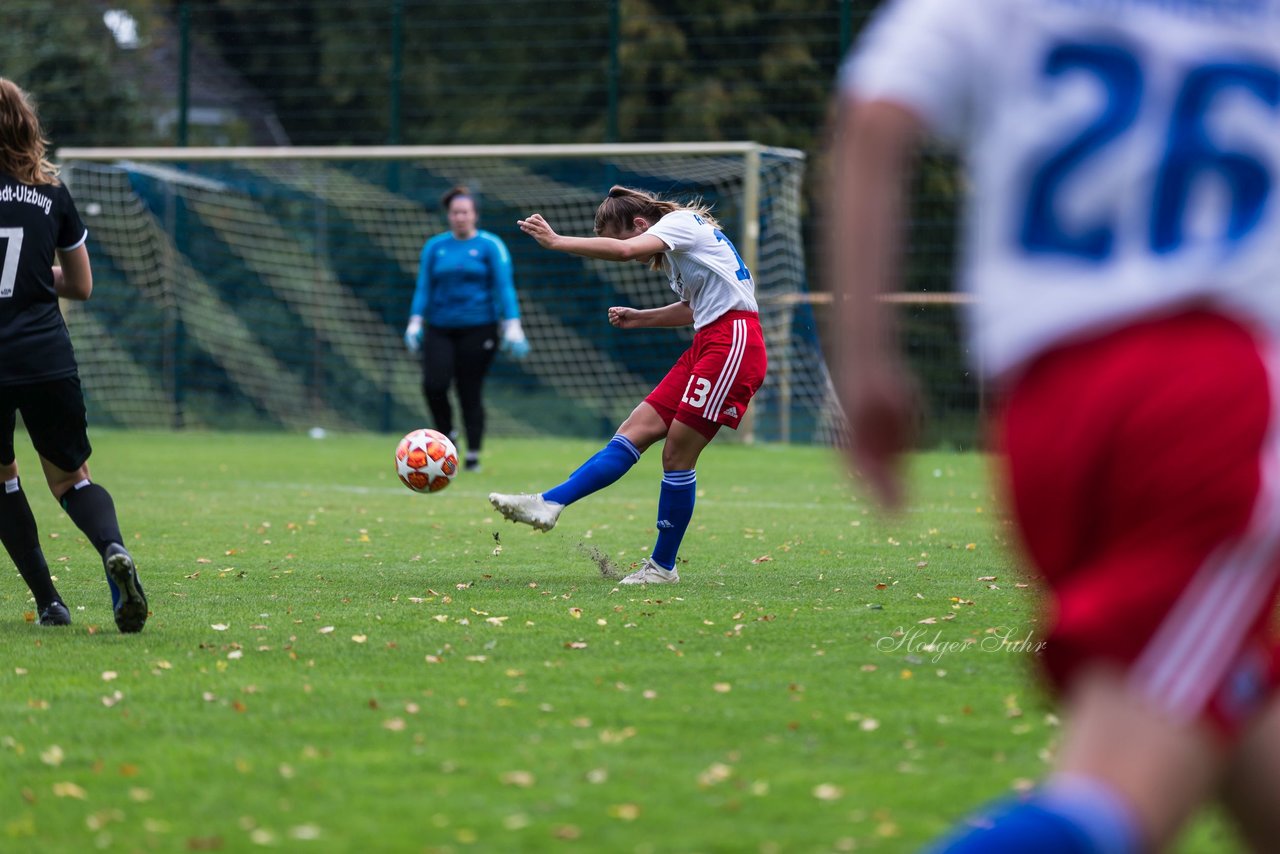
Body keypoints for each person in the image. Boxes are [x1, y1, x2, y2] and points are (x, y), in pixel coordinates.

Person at [830, 1, 1280, 851]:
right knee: (1117, 793)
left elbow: (874, 118)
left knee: (1225, 695)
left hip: (1045, 414)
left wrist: (866, 362)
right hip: (1210, 399)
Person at [488, 185, 767, 585]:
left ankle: (662, 567)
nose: (627, 252)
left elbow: (624, 251)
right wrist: (642, 317)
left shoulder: (681, 223)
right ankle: (550, 502)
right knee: (632, 432)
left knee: (676, 456)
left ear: (639, 224)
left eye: (620, 237)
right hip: (709, 342)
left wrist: (556, 241)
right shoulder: (679, 249)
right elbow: (695, 308)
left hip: (734, 344)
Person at [0, 78, 148, 633]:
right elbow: (82, 285)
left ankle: (50, 604)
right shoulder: (52, 194)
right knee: (70, 480)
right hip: (43, 354)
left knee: (4, 481)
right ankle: (112, 548)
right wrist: (39, 277)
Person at [403, 185, 529, 473]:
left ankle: (472, 454)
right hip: (440, 327)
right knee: (433, 385)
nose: (460, 217)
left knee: (468, 389)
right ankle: (448, 438)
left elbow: (504, 287)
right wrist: (414, 322)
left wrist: (513, 326)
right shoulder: (435, 246)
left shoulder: (490, 245)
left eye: (465, 212)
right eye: (455, 212)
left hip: (479, 327)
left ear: (475, 215)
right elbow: (424, 286)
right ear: (449, 215)